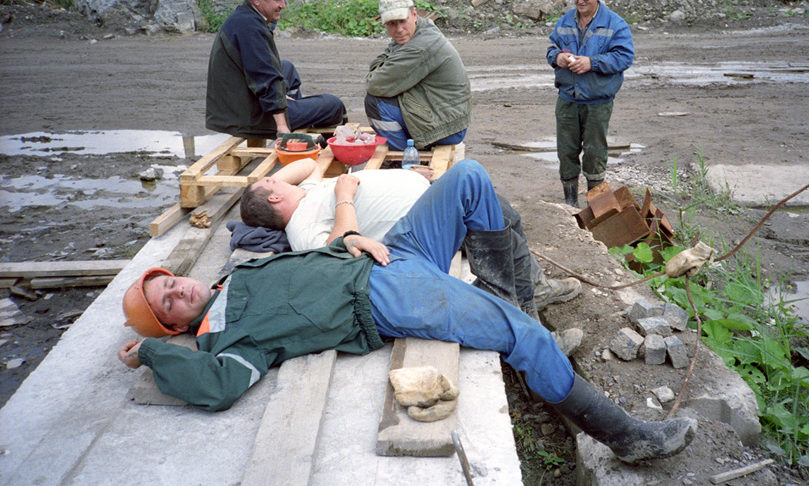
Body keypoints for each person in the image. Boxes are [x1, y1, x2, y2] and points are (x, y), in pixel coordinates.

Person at [119, 160, 696, 463]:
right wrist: (150, 353)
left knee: (467, 178)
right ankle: (628, 439)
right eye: (167, 302)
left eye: (170, 281)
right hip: (383, 298)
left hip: (388, 254)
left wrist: (346, 239)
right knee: (525, 337)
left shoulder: (235, 276)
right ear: (174, 326)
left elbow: (308, 256)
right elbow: (216, 388)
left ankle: (507, 296)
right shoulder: (226, 343)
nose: (178, 289)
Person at [237, 159, 582, 318]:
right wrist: (343, 194)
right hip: (415, 238)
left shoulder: (308, 192)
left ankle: (532, 292)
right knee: (482, 196)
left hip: (423, 203)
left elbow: (308, 165)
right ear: (275, 200)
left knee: (500, 208)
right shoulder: (299, 226)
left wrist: (261, 188)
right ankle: (521, 315)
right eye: (274, 183)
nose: (280, 179)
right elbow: (335, 254)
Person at [206, 0, 346, 139]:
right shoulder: (250, 28)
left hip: (234, 103)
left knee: (287, 69)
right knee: (333, 105)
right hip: (242, 116)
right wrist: (281, 125)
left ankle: (293, 113)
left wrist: (282, 98)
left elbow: (265, 70)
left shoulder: (244, 16)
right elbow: (264, 76)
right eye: (278, 0)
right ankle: (289, 125)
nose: (283, 5)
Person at [547, 0, 635, 208]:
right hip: (567, 99)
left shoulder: (615, 24)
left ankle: (597, 208)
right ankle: (570, 204)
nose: (580, 2)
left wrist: (592, 63)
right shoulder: (565, 21)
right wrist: (558, 57)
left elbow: (625, 57)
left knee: (595, 154)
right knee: (566, 152)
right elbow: (551, 48)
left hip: (597, 101)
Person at [364, 0, 472, 151]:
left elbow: (374, 83)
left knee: (375, 102)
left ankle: (402, 159)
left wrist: (389, 64)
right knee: (391, 89)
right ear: (384, 23)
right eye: (391, 24)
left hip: (447, 126)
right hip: (447, 115)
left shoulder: (420, 46)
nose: (399, 29)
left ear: (414, 14)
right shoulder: (421, 27)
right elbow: (381, 61)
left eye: (402, 21)